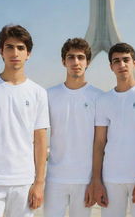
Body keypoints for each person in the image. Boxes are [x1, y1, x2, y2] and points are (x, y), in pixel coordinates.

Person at [0, 25, 49, 217]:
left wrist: (39, 183)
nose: (15, 53)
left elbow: (40, 141)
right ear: (1, 51)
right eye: (9, 47)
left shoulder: (38, 93)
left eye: (21, 47)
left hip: (23, 181)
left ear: (28, 53)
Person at [90, 43, 135, 217]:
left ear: (134, 63)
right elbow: (99, 143)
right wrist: (97, 180)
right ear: (111, 66)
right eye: (116, 61)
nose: (122, 65)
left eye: (126, 60)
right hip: (111, 179)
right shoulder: (104, 100)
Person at [44, 38, 103, 217]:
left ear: (88, 62)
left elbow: (100, 143)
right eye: (71, 57)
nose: (75, 62)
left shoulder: (99, 97)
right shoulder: (49, 95)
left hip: (85, 180)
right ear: (64, 61)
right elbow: (37, 138)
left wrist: (95, 180)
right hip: (55, 178)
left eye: (80, 57)